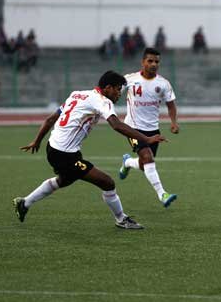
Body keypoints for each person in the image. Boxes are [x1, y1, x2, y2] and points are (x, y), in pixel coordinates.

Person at [13, 71, 166, 229]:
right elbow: (117, 125)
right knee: (107, 182)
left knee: (63, 180)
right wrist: (146, 139)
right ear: (107, 88)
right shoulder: (102, 101)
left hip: (54, 148)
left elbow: (51, 119)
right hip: (65, 155)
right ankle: (121, 219)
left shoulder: (77, 94)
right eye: (118, 89)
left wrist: (37, 141)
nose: (119, 93)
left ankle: (24, 203)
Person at [119, 48, 179, 208]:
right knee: (148, 158)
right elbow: (114, 93)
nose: (154, 64)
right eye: (150, 61)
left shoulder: (163, 84)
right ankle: (163, 194)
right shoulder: (129, 79)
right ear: (143, 62)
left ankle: (128, 163)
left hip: (153, 130)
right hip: (132, 128)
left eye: (157, 62)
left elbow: (171, 105)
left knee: (145, 163)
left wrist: (173, 122)